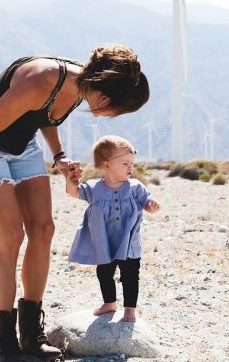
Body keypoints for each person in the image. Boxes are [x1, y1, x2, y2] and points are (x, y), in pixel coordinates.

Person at [0, 45, 149, 361]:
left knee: (44, 229)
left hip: (23, 144)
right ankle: (4, 344)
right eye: (118, 106)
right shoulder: (41, 78)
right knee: (11, 236)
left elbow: (46, 115)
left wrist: (58, 156)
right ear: (106, 90)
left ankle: (31, 335)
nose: (113, 114)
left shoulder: (80, 88)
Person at [65, 135, 162, 323]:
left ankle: (130, 308)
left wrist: (152, 206)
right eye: (125, 163)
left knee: (130, 275)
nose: (130, 168)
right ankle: (109, 302)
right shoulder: (94, 189)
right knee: (104, 272)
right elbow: (74, 192)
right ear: (106, 165)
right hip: (104, 242)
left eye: (132, 163)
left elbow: (146, 203)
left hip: (129, 243)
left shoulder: (135, 187)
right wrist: (71, 179)